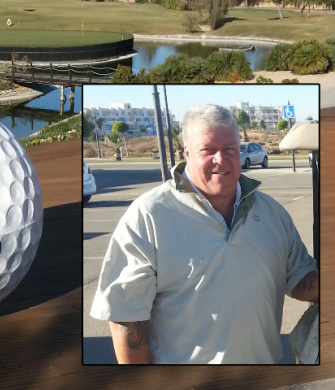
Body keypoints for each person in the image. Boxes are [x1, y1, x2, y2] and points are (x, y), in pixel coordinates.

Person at [90, 104, 318, 364]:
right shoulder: (149, 215)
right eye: (208, 150)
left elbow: (300, 279)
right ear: (186, 152)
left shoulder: (272, 214)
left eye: (230, 149)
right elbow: (125, 317)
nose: (221, 159)